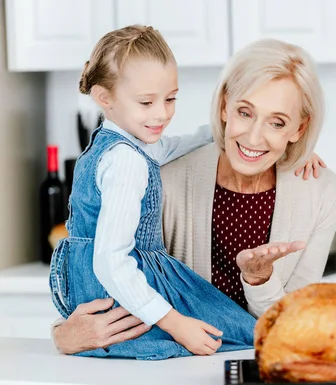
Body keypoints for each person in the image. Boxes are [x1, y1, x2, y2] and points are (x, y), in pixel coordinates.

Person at [52, 38, 336, 356]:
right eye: (244, 113)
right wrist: (62, 335)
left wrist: (260, 281)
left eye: (277, 122)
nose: (254, 137)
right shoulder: (163, 174)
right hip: (174, 373)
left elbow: (294, 325)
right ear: (224, 107)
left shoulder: (320, 191)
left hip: (262, 364)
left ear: (299, 129)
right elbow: (108, 277)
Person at [49, 25, 258, 360]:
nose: (161, 113)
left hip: (92, 287)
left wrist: (222, 132)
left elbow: (169, 147)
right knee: (241, 333)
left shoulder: (116, 142)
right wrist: (176, 323)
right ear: (104, 98)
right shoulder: (125, 162)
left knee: (236, 334)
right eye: (147, 102)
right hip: (119, 290)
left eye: (171, 98)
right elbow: (111, 261)